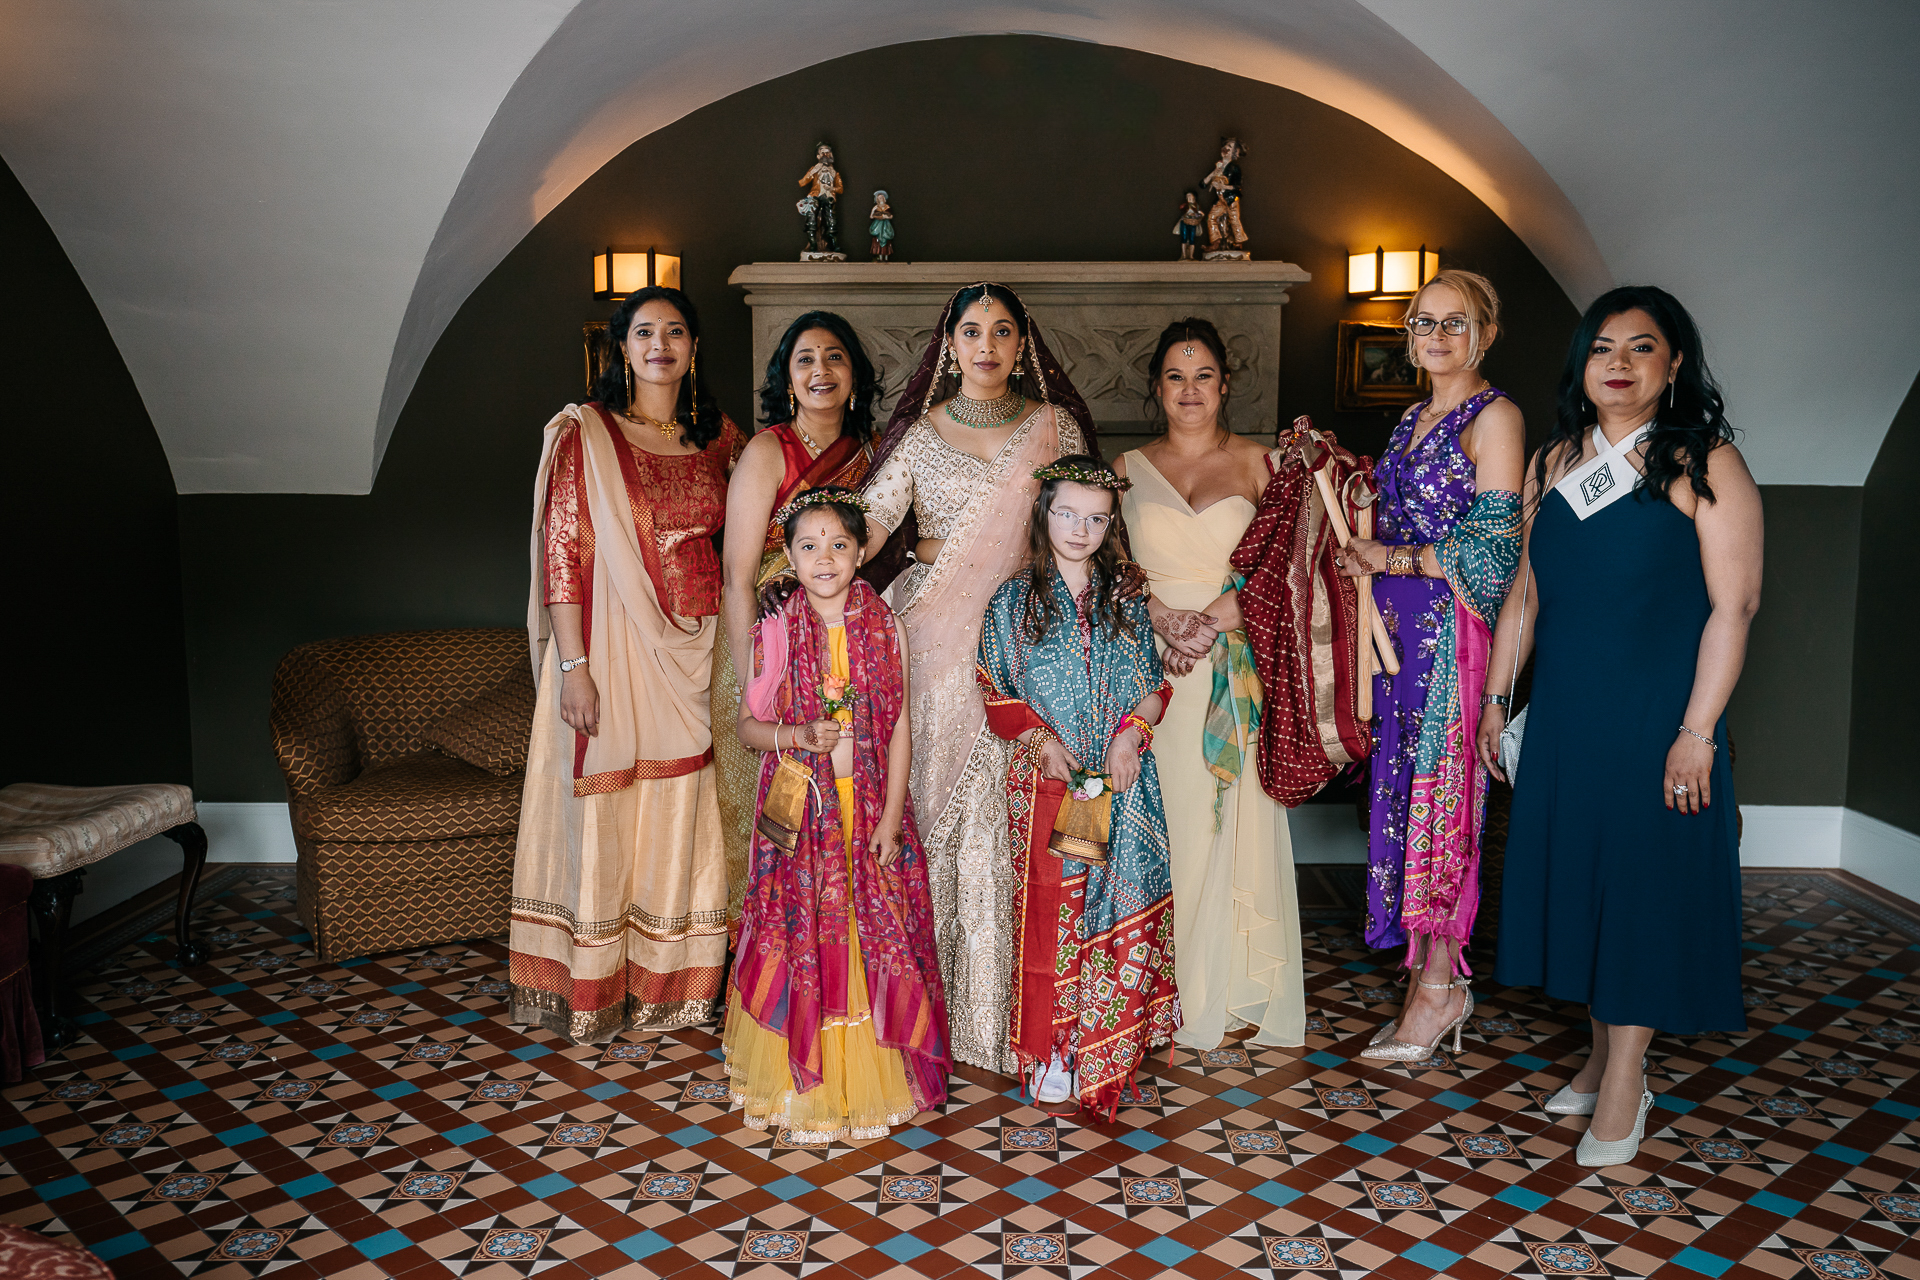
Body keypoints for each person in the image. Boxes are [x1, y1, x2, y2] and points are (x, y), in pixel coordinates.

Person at [1480, 286, 1761, 1166]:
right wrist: (1497, 699)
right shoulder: (1557, 459)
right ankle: (1603, 1060)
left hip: (1655, 720)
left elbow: (1736, 604)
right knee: (1588, 882)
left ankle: (1629, 1082)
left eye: (1642, 348)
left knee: (1638, 891)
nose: (1619, 363)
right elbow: (1524, 593)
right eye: (1603, 347)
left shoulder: (1703, 460)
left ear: (1674, 365)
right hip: (1566, 717)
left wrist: (1697, 732)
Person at [859, 282, 1095, 1074]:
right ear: (949, 344)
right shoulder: (921, 438)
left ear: (1021, 343)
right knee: (928, 807)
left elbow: (1086, 521)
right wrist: (805, 564)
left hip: (1027, 639)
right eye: (971, 330)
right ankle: (924, 1012)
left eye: (1002, 330)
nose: (986, 344)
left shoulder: (1053, 427)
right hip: (930, 640)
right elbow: (871, 525)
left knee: (1010, 817)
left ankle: (1002, 1023)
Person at [512, 285, 745, 1043]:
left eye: (676, 331)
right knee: (615, 806)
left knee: (689, 810)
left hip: (701, 651)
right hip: (609, 648)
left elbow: (758, 536)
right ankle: (600, 985)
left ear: (693, 347)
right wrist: (574, 664)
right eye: (645, 332)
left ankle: (677, 984)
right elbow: (563, 556)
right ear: (622, 348)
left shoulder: (720, 439)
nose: (661, 345)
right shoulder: (590, 435)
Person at [1330, 270, 1524, 1061]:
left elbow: (1494, 551)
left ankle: (1441, 987)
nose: (1436, 337)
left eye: (1455, 323)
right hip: (1396, 640)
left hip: (1451, 638)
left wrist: (1392, 556)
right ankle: (1427, 976)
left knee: (1443, 806)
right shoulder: (1413, 415)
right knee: (1404, 799)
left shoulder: (1496, 417)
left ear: (1486, 331)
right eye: (1422, 323)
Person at [724, 488, 949, 1142]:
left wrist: (888, 821)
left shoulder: (886, 626)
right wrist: (797, 737)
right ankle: (802, 1091)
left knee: (865, 936)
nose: (825, 558)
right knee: (810, 938)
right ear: (789, 556)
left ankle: (871, 1080)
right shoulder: (775, 631)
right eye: (809, 546)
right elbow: (746, 728)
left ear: (860, 552)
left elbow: (900, 725)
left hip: (869, 810)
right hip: (800, 822)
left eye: (839, 545)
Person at [1115, 318, 1306, 1050]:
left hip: (1231, 664)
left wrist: (1227, 612)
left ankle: (1222, 991)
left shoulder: (1263, 465)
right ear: (1156, 388)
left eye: (1202, 376)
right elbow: (1108, 562)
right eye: (1174, 376)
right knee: (1166, 827)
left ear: (1225, 384)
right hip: (1156, 667)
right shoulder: (1128, 467)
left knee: (1226, 819)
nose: (1188, 390)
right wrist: (1162, 614)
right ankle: (1160, 990)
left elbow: (1295, 567)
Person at [978, 457, 1179, 1114]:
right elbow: (992, 687)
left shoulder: (1125, 599)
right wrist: (1041, 742)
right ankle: (1052, 1050)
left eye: (1095, 518)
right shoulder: (1014, 600)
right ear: (1044, 513)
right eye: (1066, 512)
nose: (1079, 528)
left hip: (1120, 787)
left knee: (1114, 913)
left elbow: (1153, 689)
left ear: (1110, 523)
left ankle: (1106, 1045)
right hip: (1053, 787)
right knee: (1051, 923)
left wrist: (1132, 736)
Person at [715, 313, 882, 933]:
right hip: (768, 639)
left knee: (838, 788)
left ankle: (837, 937)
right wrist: (748, 672)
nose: (821, 371)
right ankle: (761, 947)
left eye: (835, 357)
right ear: (787, 377)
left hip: (844, 647)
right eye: (805, 359)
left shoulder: (872, 456)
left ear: (855, 377)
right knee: (764, 794)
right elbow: (737, 575)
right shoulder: (768, 450)